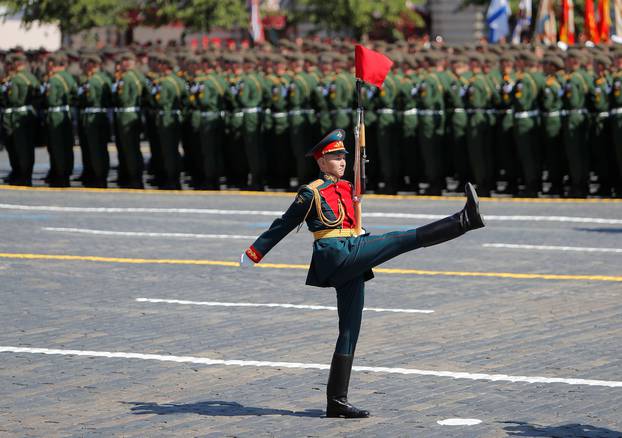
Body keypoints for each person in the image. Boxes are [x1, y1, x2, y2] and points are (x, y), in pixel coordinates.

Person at [239, 129, 485, 418]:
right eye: (334, 156)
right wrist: (255, 252)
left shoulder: (346, 188)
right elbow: (282, 224)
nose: (341, 161)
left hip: (352, 252)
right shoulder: (310, 192)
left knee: (350, 329)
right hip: (335, 254)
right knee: (398, 240)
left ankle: (336, 401)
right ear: (321, 161)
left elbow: (352, 222)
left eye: (343, 155)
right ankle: (464, 219)